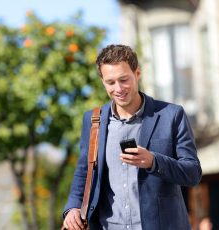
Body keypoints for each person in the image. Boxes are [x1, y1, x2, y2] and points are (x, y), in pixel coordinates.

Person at [62, 44, 202, 230]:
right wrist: (72, 207)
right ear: (103, 81)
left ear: (137, 73)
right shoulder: (93, 120)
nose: (118, 88)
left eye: (124, 80)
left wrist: (153, 161)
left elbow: (192, 173)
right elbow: (84, 171)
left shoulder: (172, 115)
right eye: (110, 82)